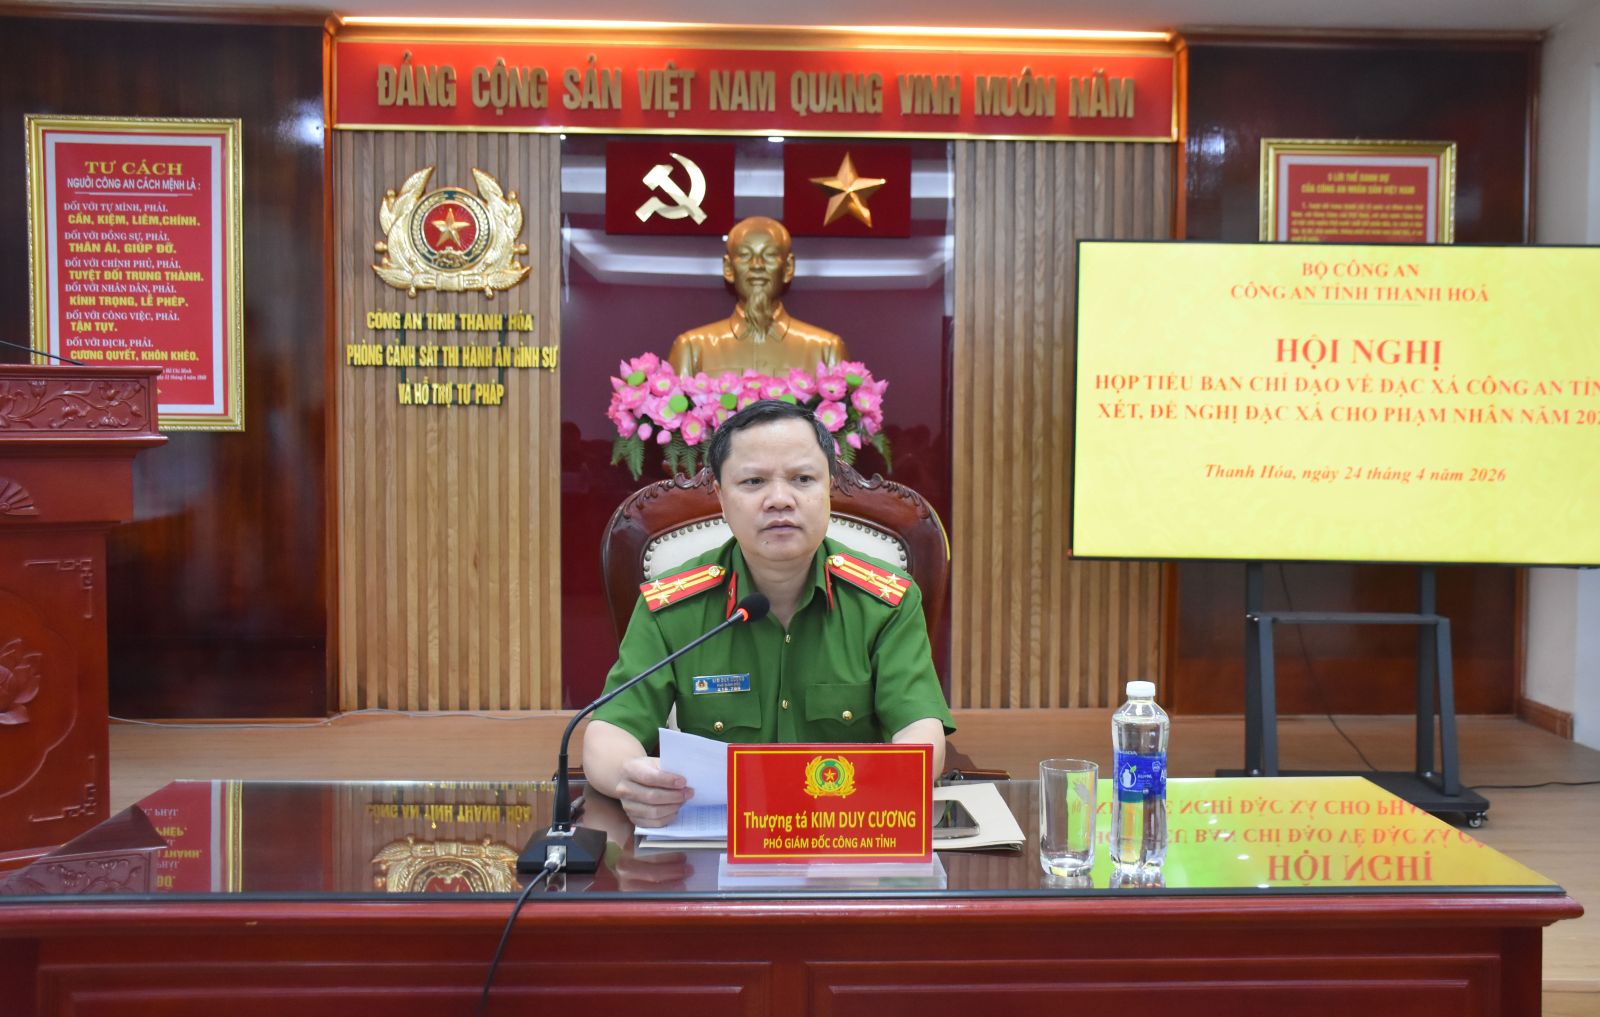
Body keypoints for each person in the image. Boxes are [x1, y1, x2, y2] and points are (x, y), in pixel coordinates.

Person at [583, 400, 953, 827]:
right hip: (715, 844)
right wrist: (633, 778)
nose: (780, 500)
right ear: (722, 499)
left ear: (829, 489)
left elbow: (921, 734)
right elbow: (608, 735)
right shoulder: (672, 606)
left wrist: (882, 788)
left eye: (803, 479)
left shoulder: (885, 601)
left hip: (843, 836)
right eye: (754, 481)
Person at [667, 216, 849, 376]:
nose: (757, 265)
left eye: (769, 255)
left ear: (788, 267)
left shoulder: (825, 350)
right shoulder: (693, 348)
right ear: (728, 268)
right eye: (745, 255)